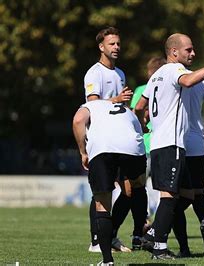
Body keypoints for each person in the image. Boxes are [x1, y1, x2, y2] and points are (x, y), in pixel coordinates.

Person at [134, 33, 204, 260]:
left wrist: (144, 124)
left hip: (161, 142)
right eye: (188, 50)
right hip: (171, 143)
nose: (193, 53)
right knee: (169, 196)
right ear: (174, 52)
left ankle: (152, 233)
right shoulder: (174, 71)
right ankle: (159, 246)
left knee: (186, 195)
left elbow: (140, 105)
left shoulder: (156, 75)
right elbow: (188, 81)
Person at [83, 26, 140, 253]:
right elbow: (93, 105)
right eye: (112, 44)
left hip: (120, 139)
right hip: (101, 138)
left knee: (128, 191)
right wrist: (117, 99)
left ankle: (110, 234)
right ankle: (97, 240)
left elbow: (119, 108)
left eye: (118, 43)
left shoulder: (120, 73)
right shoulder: (94, 73)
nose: (116, 47)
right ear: (101, 47)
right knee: (102, 191)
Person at [72, 100, 146, 266]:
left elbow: (78, 121)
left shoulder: (89, 106)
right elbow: (140, 128)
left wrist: (83, 152)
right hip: (133, 147)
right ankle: (139, 235)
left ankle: (107, 260)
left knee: (103, 203)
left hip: (103, 148)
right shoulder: (126, 109)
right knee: (137, 187)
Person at [171, 75, 204, 257]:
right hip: (197, 145)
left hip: (175, 144)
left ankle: (183, 248)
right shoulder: (203, 79)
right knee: (198, 193)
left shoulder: (166, 77)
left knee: (174, 200)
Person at [129, 56, 166, 250]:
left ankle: (143, 223)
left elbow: (136, 112)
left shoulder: (141, 90)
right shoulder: (170, 86)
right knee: (163, 190)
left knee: (140, 188)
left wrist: (143, 126)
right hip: (162, 145)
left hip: (144, 145)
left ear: (149, 72)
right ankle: (158, 226)